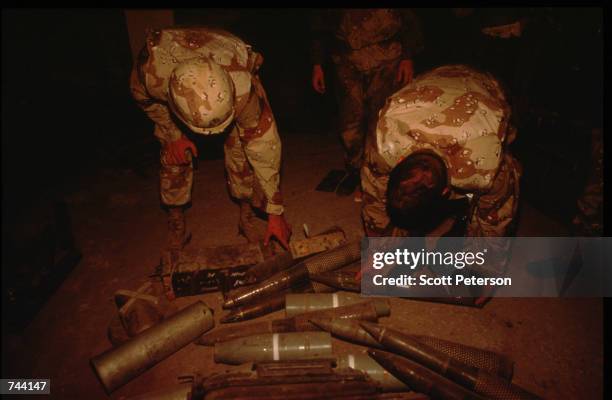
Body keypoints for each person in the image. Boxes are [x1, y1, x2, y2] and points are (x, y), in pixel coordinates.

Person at [361, 65, 521, 304]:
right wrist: (378, 253)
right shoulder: (386, 140)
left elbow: (495, 220)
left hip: (487, 93)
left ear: (447, 192)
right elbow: (374, 196)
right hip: (431, 83)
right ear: (399, 162)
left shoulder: (484, 167)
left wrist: (486, 271)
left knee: (493, 197)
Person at [130, 27, 291, 252]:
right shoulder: (152, 74)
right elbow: (143, 100)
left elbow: (265, 148)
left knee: (243, 154)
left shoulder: (244, 89)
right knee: (173, 155)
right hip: (174, 91)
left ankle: (247, 216)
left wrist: (275, 212)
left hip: (229, 68)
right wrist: (172, 133)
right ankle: (176, 222)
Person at [310, 9, 424, 199]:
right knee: (350, 122)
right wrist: (317, 64)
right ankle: (356, 171)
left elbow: (410, 19)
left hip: (387, 57)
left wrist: (407, 57)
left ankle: (378, 174)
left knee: (380, 120)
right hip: (346, 59)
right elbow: (319, 24)